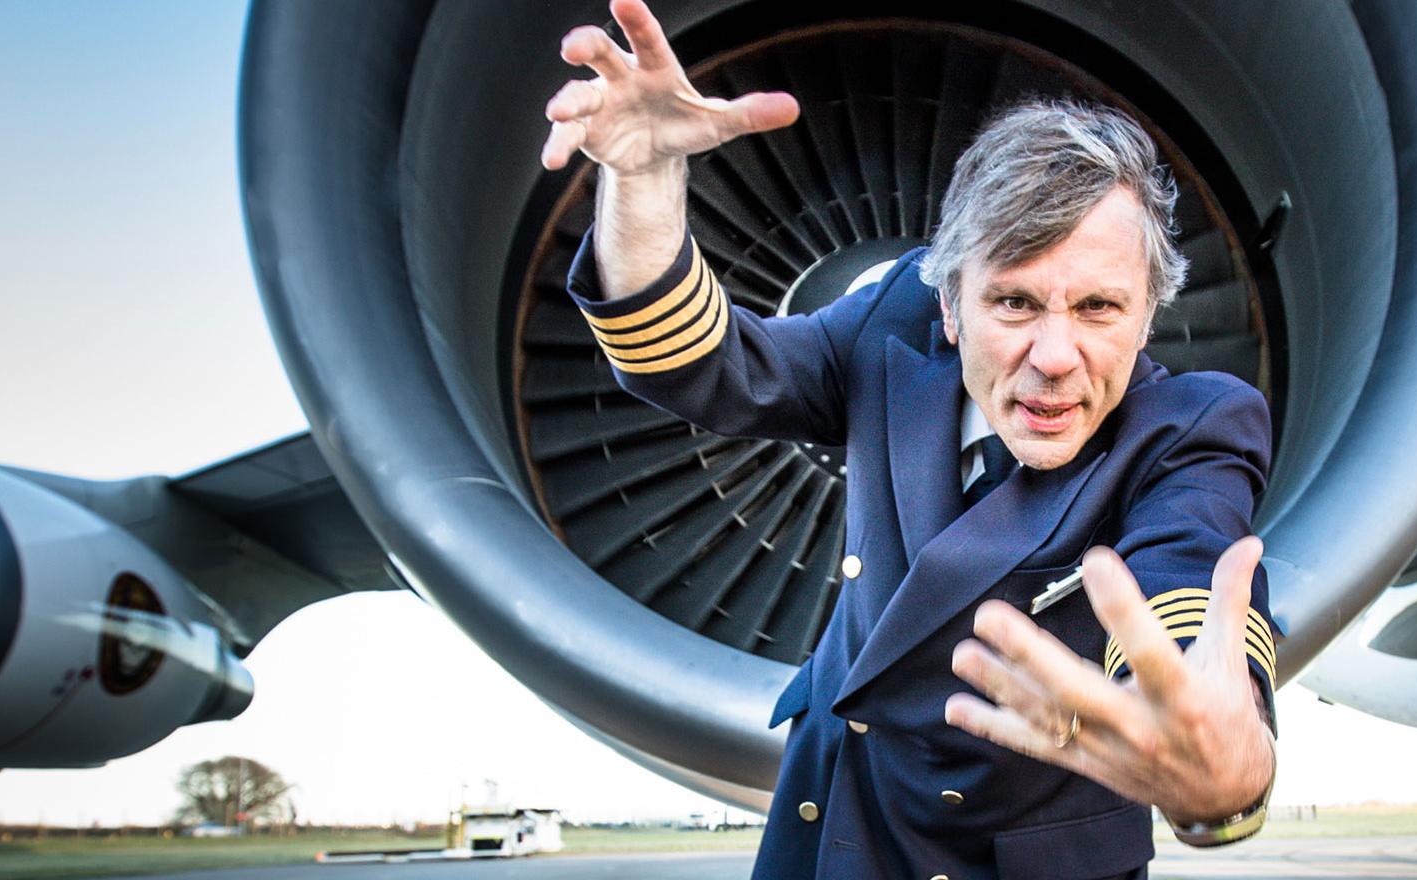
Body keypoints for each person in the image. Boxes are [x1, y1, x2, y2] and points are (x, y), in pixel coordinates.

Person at [540, 2, 1278, 877]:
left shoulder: (1191, 431)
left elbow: (1187, 601)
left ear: (1147, 315)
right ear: (948, 307)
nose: (1054, 357)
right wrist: (644, 186)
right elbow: (709, 368)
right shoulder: (892, 330)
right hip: (827, 821)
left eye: (1098, 308)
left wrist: (1224, 772)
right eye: (1014, 302)